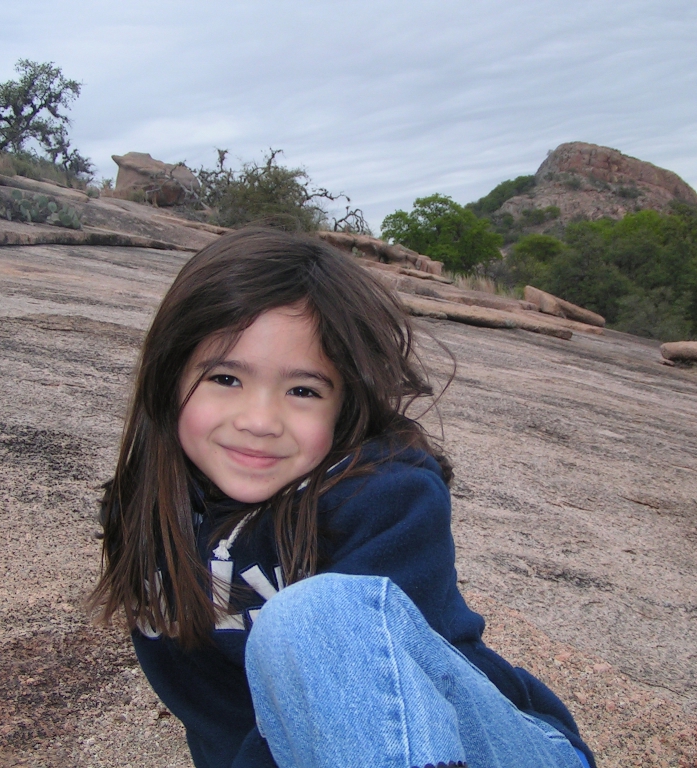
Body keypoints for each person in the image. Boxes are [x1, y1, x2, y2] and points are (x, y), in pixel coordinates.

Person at [90, 228, 595, 768]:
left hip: (495, 747)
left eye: (303, 390)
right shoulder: (148, 511)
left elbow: (377, 703)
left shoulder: (386, 501)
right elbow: (214, 711)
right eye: (226, 378)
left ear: (345, 407)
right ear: (169, 377)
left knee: (315, 619)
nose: (260, 421)